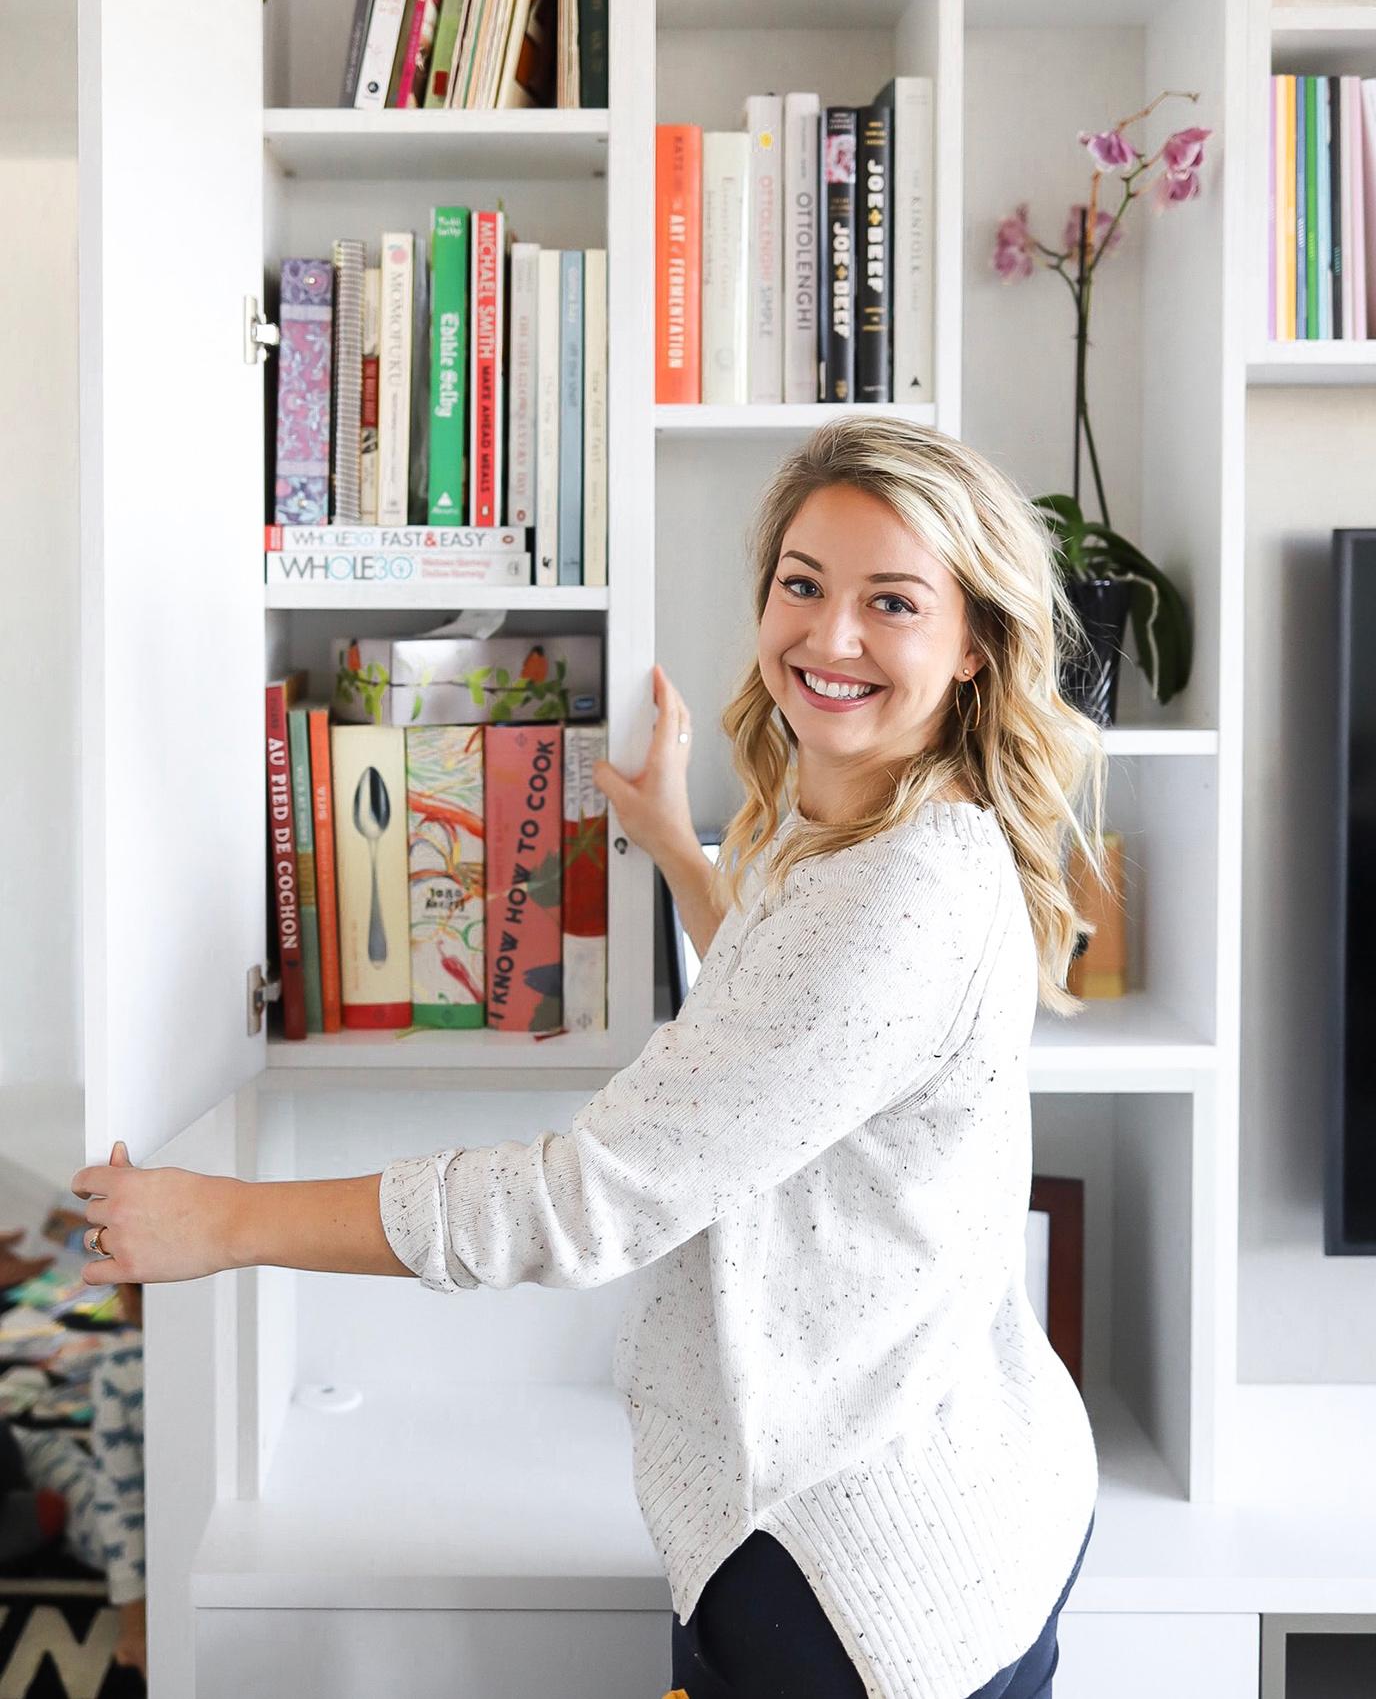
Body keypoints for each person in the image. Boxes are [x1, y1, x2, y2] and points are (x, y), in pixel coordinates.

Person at [71, 417, 1110, 1699]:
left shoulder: (896, 898)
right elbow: (792, 1048)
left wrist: (222, 1223)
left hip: (848, 1573)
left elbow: (588, 1200)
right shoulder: (866, 822)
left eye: (889, 603)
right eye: (802, 583)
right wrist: (684, 851)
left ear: (970, 649)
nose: (826, 638)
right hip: (962, 1492)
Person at [1, 1279, 146, 1683]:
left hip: (127, 1543)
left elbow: (121, 1504)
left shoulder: (122, 1366)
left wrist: (136, 1626)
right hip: (162, 1545)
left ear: (130, 1297)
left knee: (47, 1452)